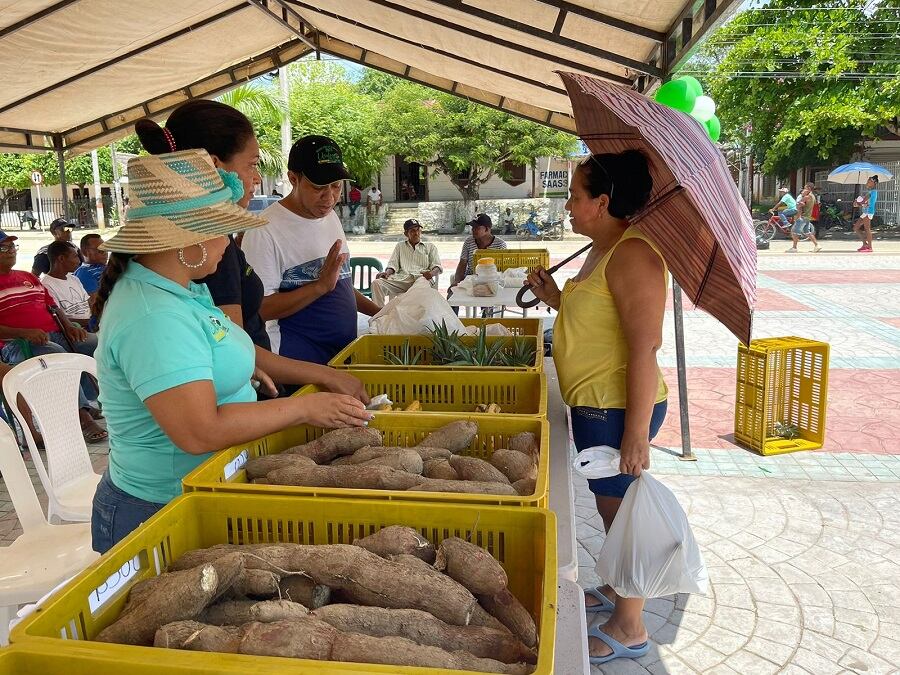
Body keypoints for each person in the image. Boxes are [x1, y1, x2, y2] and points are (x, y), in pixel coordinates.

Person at [90, 149, 373, 554]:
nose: (229, 245)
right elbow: (199, 430)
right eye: (222, 231)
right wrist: (304, 409)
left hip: (207, 486)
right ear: (188, 241)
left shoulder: (187, 288)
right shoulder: (153, 315)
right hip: (158, 510)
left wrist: (324, 375)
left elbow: (243, 347)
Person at [526, 151, 667, 665]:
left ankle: (630, 625)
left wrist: (634, 435)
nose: (567, 204)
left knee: (622, 518)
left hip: (616, 413)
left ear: (603, 202)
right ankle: (613, 588)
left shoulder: (633, 255)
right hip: (596, 409)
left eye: (575, 195)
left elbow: (643, 348)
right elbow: (596, 325)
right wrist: (557, 299)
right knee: (612, 512)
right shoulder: (601, 251)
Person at [134, 100, 369, 400]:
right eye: (253, 164)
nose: (257, 178)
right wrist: (311, 393)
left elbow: (229, 347)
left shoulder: (194, 270)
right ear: (217, 168)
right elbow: (231, 356)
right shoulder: (163, 300)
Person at [243, 135, 382, 364]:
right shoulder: (264, 231)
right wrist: (318, 287)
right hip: (297, 366)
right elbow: (259, 309)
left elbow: (339, 284)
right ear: (293, 178)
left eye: (336, 186)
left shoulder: (329, 216)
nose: (329, 198)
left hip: (340, 358)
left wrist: (380, 312)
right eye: (318, 187)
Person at [0, 230, 106, 443]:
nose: (11, 252)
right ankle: (82, 416)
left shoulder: (27, 277)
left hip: (56, 333)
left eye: (12, 247)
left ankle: (102, 400)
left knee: (98, 344)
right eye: (4, 248)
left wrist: (68, 327)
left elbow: (53, 307)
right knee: (57, 357)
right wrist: (24, 333)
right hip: (18, 344)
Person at [372, 219, 442, 305]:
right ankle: (378, 314)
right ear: (406, 234)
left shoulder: (430, 247)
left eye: (418, 230)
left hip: (421, 279)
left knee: (420, 287)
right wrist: (386, 273)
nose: (416, 233)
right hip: (402, 279)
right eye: (412, 231)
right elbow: (393, 264)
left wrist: (431, 274)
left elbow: (437, 266)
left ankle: (407, 314)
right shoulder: (400, 246)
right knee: (377, 283)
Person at [449, 213, 508, 291]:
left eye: (476, 228)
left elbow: (501, 270)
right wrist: (457, 281)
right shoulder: (469, 241)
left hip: (491, 281)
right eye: (472, 227)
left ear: (487, 229)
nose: (473, 230)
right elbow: (462, 263)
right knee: (452, 295)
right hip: (470, 279)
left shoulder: (500, 244)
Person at [40, 241, 92, 328]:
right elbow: (57, 318)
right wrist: (89, 322)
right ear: (61, 259)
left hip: (90, 326)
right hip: (75, 330)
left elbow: (88, 303)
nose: (79, 261)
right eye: (75, 256)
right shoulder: (46, 285)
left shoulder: (74, 279)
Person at [787, 184, 822, 253]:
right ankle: (817, 245)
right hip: (808, 217)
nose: (803, 190)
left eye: (805, 188)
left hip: (802, 217)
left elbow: (798, 205)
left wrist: (802, 196)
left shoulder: (806, 197)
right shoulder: (813, 196)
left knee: (794, 232)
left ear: (808, 188)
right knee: (807, 232)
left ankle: (794, 247)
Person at [74, 233, 108, 300]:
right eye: (100, 250)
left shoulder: (104, 266)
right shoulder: (84, 273)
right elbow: (95, 303)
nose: (105, 253)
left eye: (106, 248)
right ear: (84, 252)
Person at [853, 176, 878, 253]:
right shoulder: (870, 192)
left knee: (867, 229)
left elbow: (863, 202)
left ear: (874, 183)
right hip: (865, 212)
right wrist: (858, 203)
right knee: (856, 228)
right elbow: (864, 203)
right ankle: (865, 244)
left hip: (868, 212)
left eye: (869, 181)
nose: (867, 182)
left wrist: (857, 202)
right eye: (867, 181)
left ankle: (869, 247)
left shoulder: (873, 192)